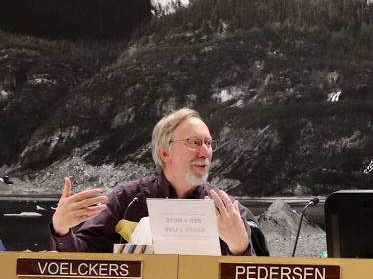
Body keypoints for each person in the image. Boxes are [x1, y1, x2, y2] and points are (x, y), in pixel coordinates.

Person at [51, 108, 266, 255]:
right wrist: (61, 229)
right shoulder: (126, 201)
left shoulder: (229, 210)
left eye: (209, 143)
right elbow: (82, 261)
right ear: (164, 153)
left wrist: (241, 247)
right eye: (194, 142)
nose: (205, 152)